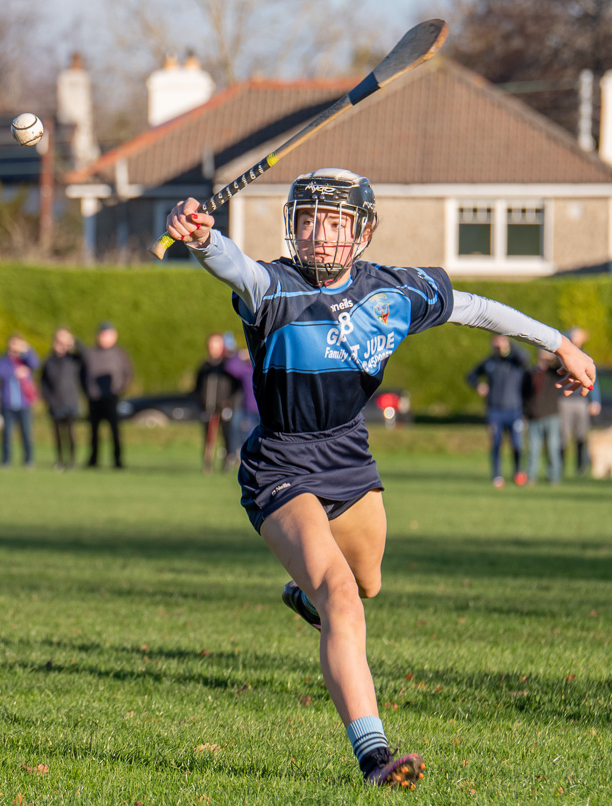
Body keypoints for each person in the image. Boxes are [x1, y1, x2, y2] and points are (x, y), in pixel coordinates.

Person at [164, 168, 596, 788]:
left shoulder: (394, 292)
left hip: (350, 457)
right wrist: (203, 237)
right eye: (311, 219)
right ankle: (374, 756)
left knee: (367, 585)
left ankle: (304, 593)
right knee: (340, 595)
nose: (322, 234)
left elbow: (475, 307)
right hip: (282, 463)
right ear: (295, 225)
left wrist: (557, 342)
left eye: (337, 221)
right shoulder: (273, 288)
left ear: (362, 231)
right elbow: (231, 263)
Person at [467, 334, 530, 487]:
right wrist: (478, 386)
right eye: (496, 344)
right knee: (496, 444)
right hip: (495, 411)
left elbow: (525, 357)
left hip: (514, 410)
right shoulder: (489, 363)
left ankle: (517, 472)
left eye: (502, 343)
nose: (499, 347)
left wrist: (509, 345)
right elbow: (470, 376)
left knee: (516, 444)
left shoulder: (515, 362)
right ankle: (497, 475)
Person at [82, 322, 132, 469]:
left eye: (108, 334)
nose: (104, 338)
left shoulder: (120, 354)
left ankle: (117, 460)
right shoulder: (90, 353)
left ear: (114, 336)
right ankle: (93, 460)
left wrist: (119, 390)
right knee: (93, 432)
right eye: (102, 334)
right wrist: (87, 391)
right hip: (94, 398)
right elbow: (82, 375)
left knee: (115, 431)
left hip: (112, 398)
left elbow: (128, 374)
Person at [194, 332, 241, 473]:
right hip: (208, 408)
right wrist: (200, 402)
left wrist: (230, 403)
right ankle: (207, 463)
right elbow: (197, 387)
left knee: (226, 436)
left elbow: (236, 386)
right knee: (208, 437)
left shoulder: (227, 366)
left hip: (224, 408)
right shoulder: (204, 366)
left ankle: (227, 461)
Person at [558, 327, 602, 475]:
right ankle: (561, 466)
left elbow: (593, 381)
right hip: (565, 400)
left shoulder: (585, 356)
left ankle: (580, 467)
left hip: (581, 401)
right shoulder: (563, 355)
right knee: (563, 435)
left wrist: (595, 400)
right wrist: (570, 335)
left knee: (581, 435)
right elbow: (558, 338)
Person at [0, 333, 40, 467]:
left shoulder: (25, 360)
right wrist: (14, 373)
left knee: (26, 433)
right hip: (8, 404)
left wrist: (27, 350)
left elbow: (36, 364)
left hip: (24, 404)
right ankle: (5, 460)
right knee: (6, 434)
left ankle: (28, 460)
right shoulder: (4, 360)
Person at [40, 327, 83, 471]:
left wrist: (73, 341)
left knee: (71, 434)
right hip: (55, 403)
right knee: (57, 435)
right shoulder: (49, 361)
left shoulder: (73, 359)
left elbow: (85, 354)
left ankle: (72, 460)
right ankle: (59, 460)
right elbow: (43, 383)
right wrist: (48, 399)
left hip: (70, 402)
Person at [523, 349, 565, 486]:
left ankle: (554, 477)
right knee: (533, 449)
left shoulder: (554, 372)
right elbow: (524, 394)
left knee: (553, 448)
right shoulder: (531, 373)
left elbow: (564, 363)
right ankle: (531, 477)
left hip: (551, 415)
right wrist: (526, 412)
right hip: (534, 416)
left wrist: (552, 356)